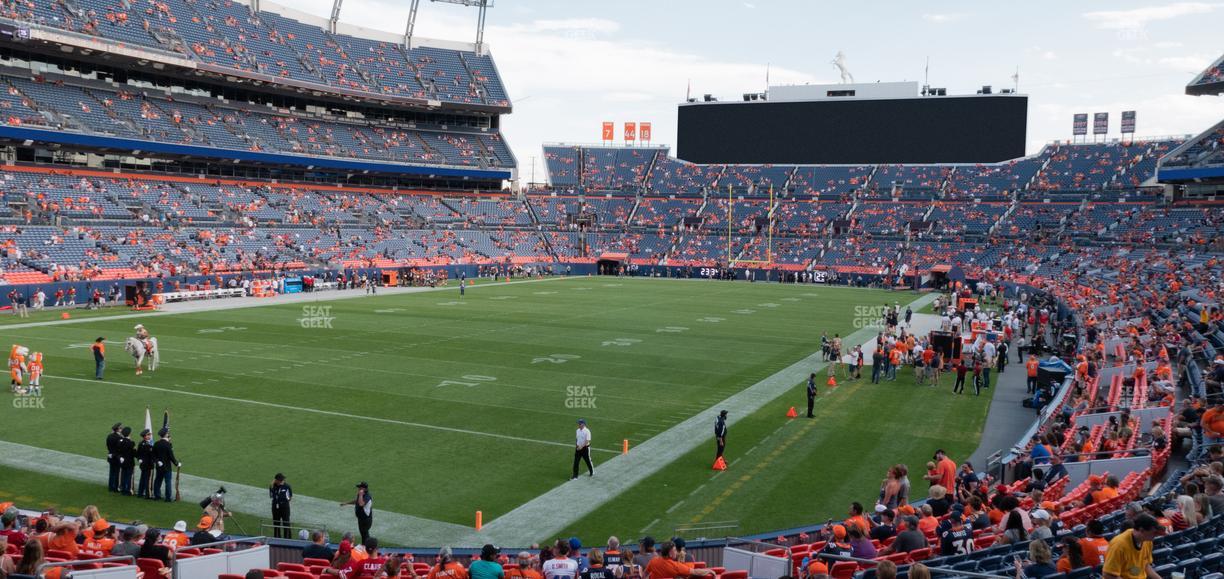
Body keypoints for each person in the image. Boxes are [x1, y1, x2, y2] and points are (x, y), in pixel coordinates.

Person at [1102, 514, 1160, 579]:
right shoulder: (1119, 545)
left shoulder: (1147, 541)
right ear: (1141, 530)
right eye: (1154, 532)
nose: (1156, 535)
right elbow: (1108, 574)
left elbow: (1145, 565)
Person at [642, 541, 712, 579]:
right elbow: (695, 572)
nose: (676, 552)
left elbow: (645, 574)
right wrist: (709, 571)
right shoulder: (676, 566)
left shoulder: (653, 561)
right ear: (670, 553)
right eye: (675, 550)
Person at [152, 427, 180, 502]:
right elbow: (171, 456)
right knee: (168, 482)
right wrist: (177, 463)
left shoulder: (156, 443)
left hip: (159, 466)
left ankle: (157, 496)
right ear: (166, 434)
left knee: (157, 481)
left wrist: (157, 461)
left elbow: (153, 455)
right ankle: (168, 498)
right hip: (167, 467)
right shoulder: (167, 444)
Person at [270, 472, 293, 539]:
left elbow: (290, 497)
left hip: (285, 507)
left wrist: (283, 502)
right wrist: (272, 486)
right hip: (275, 507)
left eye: (282, 479)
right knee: (276, 523)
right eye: (280, 480)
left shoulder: (287, 486)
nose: (282, 481)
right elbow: (271, 495)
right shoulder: (272, 486)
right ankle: (277, 538)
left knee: (286, 523)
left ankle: (288, 539)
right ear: (276, 480)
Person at [136, 428, 155, 499]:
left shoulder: (141, 443)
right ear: (145, 436)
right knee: (148, 480)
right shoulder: (149, 445)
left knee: (143, 479)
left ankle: (140, 493)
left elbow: (138, 454)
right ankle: (148, 494)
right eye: (148, 434)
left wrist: (139, 459)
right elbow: (152, 455)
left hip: (143, 464)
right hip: (149, 465)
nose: (150, 435)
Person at [116, 426, 135, 495]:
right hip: (130, 462)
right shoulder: (131, 443)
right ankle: (128, 490)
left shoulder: (120, 441)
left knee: (123, 476)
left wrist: (120, 457)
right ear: (129, 433)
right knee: (129, 476)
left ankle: (123, 489)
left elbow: (118, 452)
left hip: (122, 461)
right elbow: (133, 453)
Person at [106, 422, 123, 493]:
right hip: (117, 457)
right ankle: (115, 487)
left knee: (112, 472)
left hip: (111, 456)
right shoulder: (119, 438)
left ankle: (111, 487)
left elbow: (108, 445)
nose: (122, 429)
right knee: (117, 473)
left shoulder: (109, 436)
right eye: (121, 428)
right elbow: (120, 449)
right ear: (118, 429)